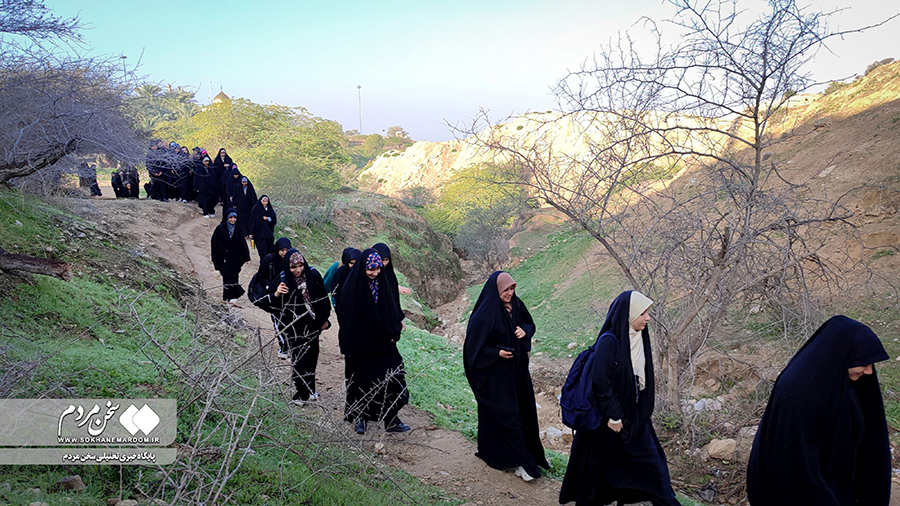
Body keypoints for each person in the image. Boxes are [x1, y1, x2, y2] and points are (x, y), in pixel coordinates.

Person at [746, 315, 890, 506]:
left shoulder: (846, 379)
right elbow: (794, 464)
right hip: (804, 492)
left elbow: (871, 435)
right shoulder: (797, 391)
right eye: (864, 364)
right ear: (844, 354)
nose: (870, 372)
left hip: (837, 487)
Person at [559, 290, 680, 506]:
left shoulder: (639, 338)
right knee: (595, 468)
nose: (647, 318)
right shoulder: (609, 341)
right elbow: (600, 383)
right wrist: (613, 416)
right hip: (607, 420)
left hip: (634, 418)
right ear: (628, 314)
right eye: (642, 313)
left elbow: (643, 380)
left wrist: (640, 413)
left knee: (653, 466)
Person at [463, 271, 548, 482]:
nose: (509, 293)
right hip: (496, 378)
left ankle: (526, 456)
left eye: (512, 289)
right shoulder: (484, 314)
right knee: (509, 417)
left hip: (517, 373)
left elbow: (530, 324)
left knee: (523, 413)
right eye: (505, 290)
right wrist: (497, 353)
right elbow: (473, 350)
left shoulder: (516, 305)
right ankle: (518, 462)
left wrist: (524, 331)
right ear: (496, 290)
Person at [338, 249, 409, 435]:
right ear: (363, 267)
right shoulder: (352, 288)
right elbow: (346, 318)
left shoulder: (383, 283)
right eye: (371, 269)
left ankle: (391, 418)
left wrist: (394, 331)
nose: (375, 273)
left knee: (393, 378)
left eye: (378, 269)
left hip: (384, 343)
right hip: (361, 346)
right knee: (361, 382)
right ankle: (361, 417)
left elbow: (392, 309)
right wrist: (350, 345)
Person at [271, 249, 332, 406]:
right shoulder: (282, 279)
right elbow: (270, 305)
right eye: (293, 267)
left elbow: (323, 299)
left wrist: (324, 320)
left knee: (312, 357)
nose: (298, 270)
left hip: (313, 326)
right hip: (294, 328)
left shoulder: (313, 275)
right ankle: (301, 394)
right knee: (299, 360)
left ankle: (311, 390)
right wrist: (276, 294)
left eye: (300, 265)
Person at [249, 237, 293, 358]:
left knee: (288, 320)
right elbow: (260, 276)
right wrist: (271, 286)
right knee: (277, 320)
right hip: (273, 295)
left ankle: (290, 345)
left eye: (287, 250)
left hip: (288, 295)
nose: (284, 253)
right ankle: (284, 348)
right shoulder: (269, 259)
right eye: (282, 250)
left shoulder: (292, 260)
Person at [210, 209, 250, 303]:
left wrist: (246, 257)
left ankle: (232, 297)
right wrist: (221, 251)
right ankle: (230, 295)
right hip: (223, 257)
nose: (233, 220)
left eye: (234, 217)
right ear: (226, 218)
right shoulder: (220, 228)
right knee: (226, 275)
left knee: (234, 275)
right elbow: (214, 242)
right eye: (231, 217)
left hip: (235, 258)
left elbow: (242, 243)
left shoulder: (238, 228)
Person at [329, 247, 360, 313]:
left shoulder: (363, 274)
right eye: (351, 263)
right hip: (342, 306)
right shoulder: (340, 270)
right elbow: (330, 287)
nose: (354, 266)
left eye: (356, 263)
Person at [248, 195, 277, 261]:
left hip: (268, 233)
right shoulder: (256, 209)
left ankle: (269, 262)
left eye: (266, 201)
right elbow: (252, 221)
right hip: (259, 234)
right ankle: (263, 262)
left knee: (269, 249)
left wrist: (268, 218)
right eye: (263, 201)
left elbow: (274, 220)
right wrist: (251, 232)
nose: (265, 203)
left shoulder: (270, 209)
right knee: (262, 250)